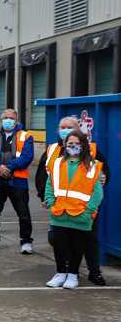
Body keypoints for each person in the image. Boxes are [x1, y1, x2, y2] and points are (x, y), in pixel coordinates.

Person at [35, 115, 109, 286]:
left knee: (86, 241)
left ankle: (92, 272)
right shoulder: (52, 150)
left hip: (83, 210)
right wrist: (46, 199)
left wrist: (89, 209)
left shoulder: (93, 150)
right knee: (58, 240)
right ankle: (63, 271)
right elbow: (44, 177)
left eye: (70, 127)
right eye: (62, 127)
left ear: (79, 130)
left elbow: (102, 176)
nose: (65, 130)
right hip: (60, 208)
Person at [0, 108, 34, 254]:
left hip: (18, 181)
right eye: (5, 118)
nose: (8, 120)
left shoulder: (26, 136)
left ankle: (26, 241)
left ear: (16, 120)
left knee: (23, 212)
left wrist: (8, 168)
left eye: (11, 118)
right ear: (1, 120)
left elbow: (27, 157)